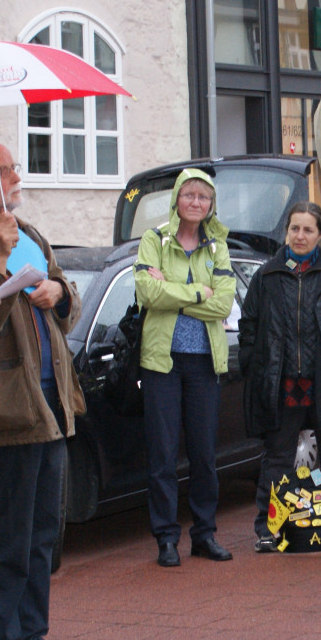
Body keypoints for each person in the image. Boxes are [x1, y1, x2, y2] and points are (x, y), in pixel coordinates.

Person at [0, 141, 85, 640]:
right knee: (6, 536)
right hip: (6, 407)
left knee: (42, 534)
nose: (16, 177)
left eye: (14, 167)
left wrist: (59, 292)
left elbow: (65, 308)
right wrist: (2, 260)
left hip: (52, 402)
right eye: (5, 170)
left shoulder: (28, 233)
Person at [240, 202, 321, 551]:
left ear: (320, 234)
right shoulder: (266, 276)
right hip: (281, 383)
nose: (300, 236)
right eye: (294, 229)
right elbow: (248, 326)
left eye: (308, 229)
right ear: (287, 231)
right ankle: (269, 530)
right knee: (277, 458)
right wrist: (255, 365)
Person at [134, 169, 236, 567]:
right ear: (176, 199)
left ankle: (204, 535)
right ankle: (165, 537)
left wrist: (172, 294)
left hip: (204, 362)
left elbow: (223, 305)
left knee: (203, 454)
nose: (196, 202)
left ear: (211, 205)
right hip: (162, 362)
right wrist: (198, 292)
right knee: (162, 454)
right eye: (189, 195)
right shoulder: (154, 240)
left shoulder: (218, 247)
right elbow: (147, 291)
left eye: (203, 197)